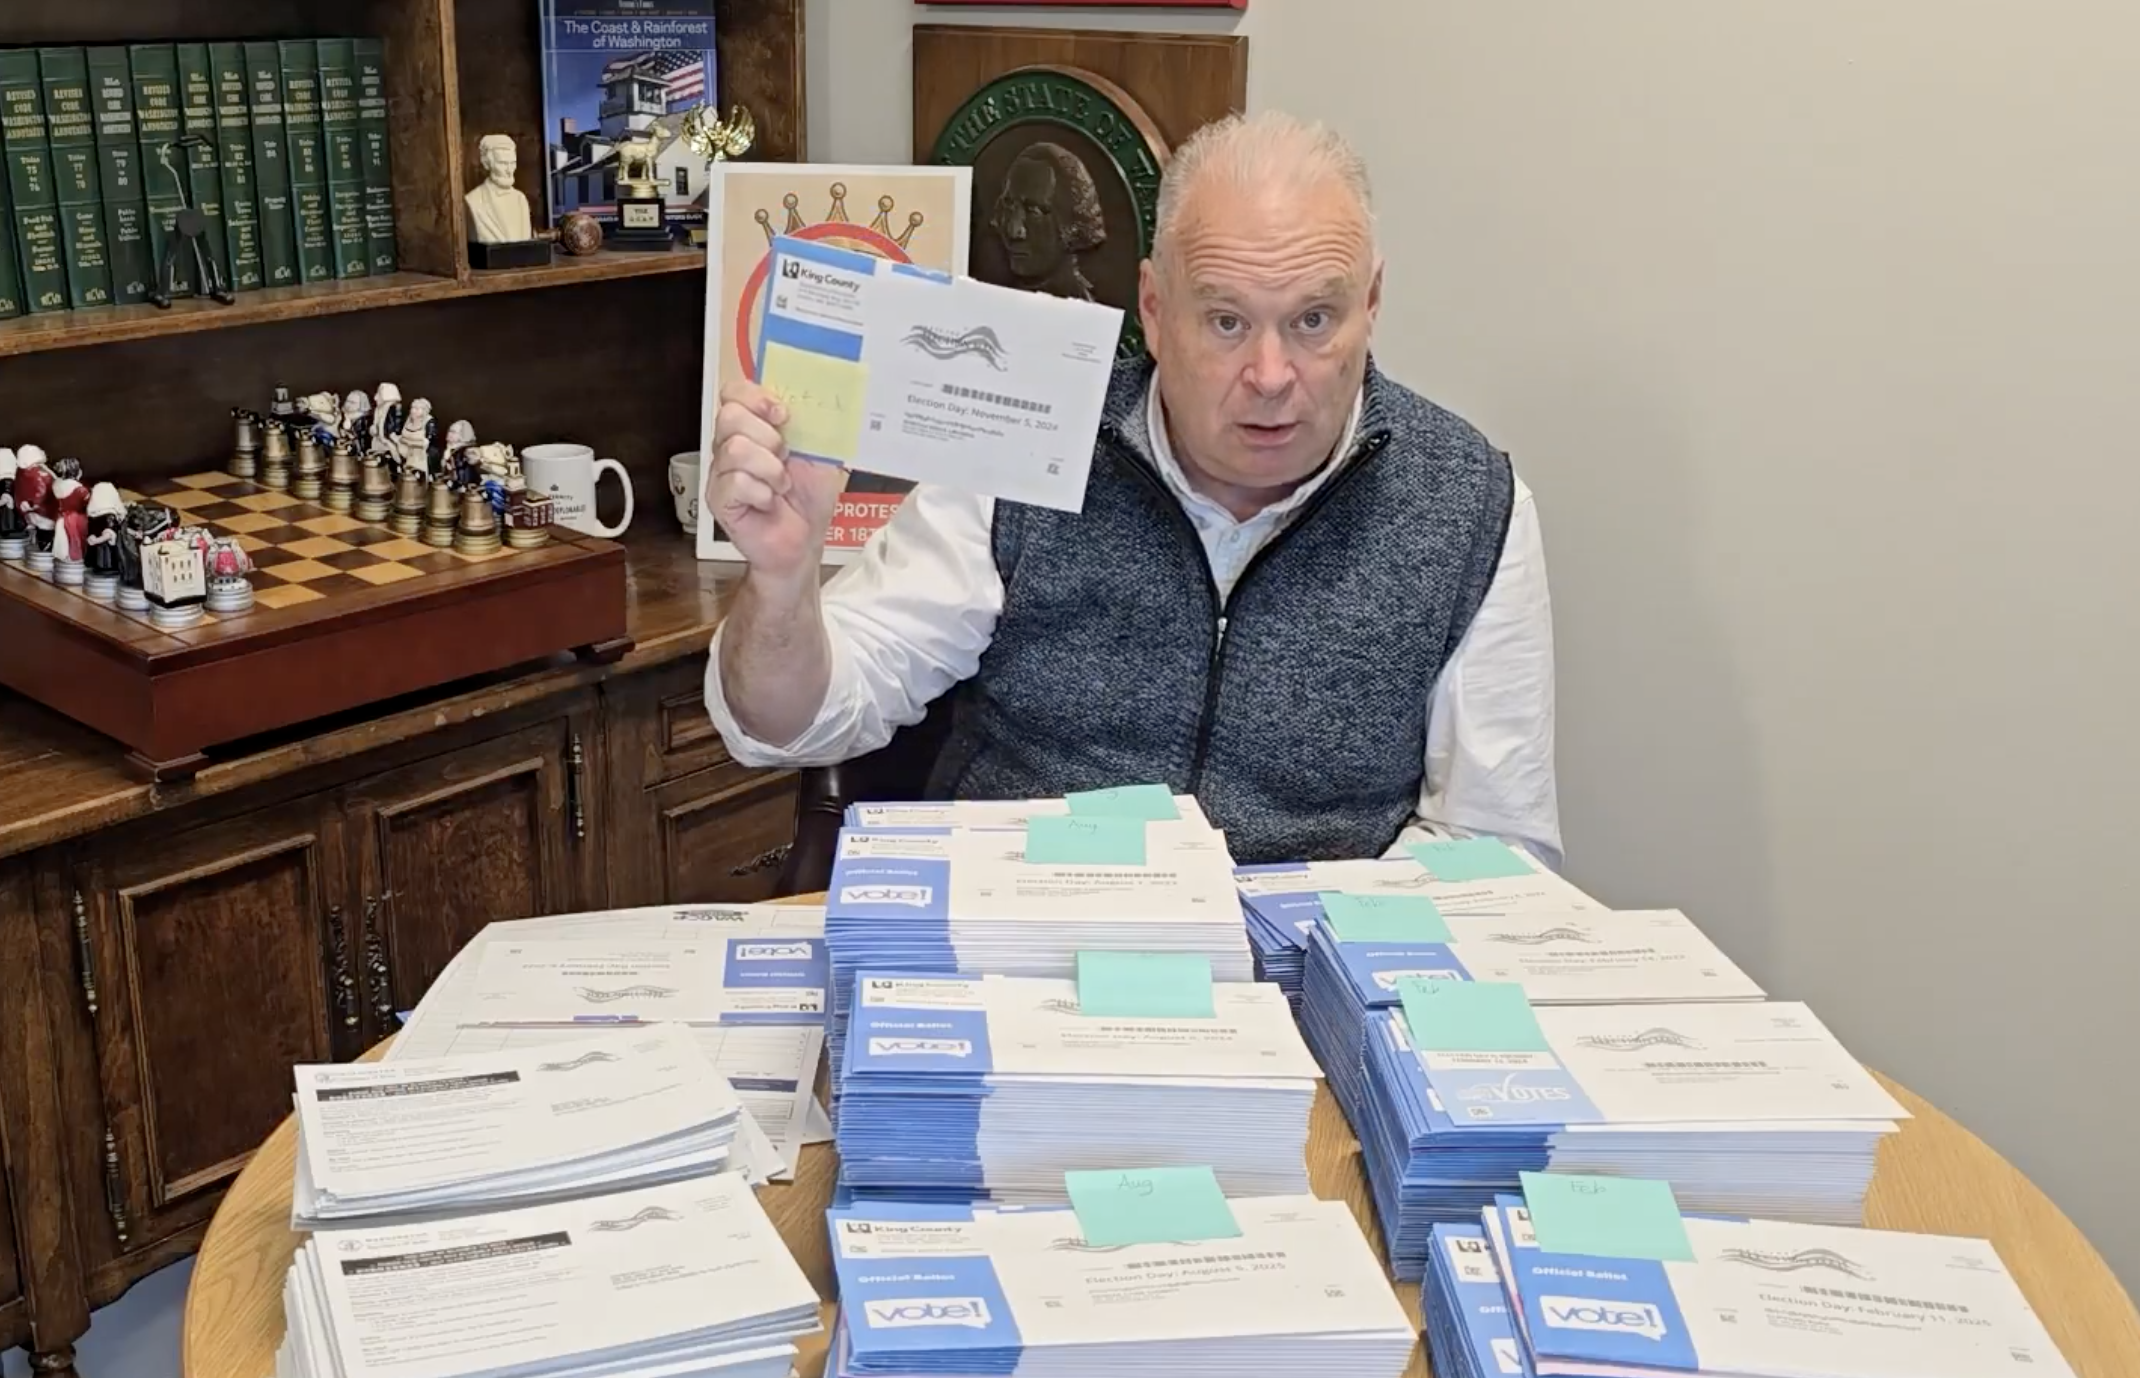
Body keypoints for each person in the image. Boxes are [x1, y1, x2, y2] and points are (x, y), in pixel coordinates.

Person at [703, 111, 1560, 866]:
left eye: (1313, 321)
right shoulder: (1035, 440)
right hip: (1028, 951)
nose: (1271, 375)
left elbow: (1493, 849)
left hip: (1305, 978)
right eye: (1226, 321)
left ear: (1371, 303)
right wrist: (781, 585)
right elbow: (799, 722)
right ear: (1153, 308)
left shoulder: (1468, 504)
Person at [988, 142, 1107, 301]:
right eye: (1009, 206)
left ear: (1073, 225)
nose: (1014, 230)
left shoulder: (1089, 319)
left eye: (1034, 211)